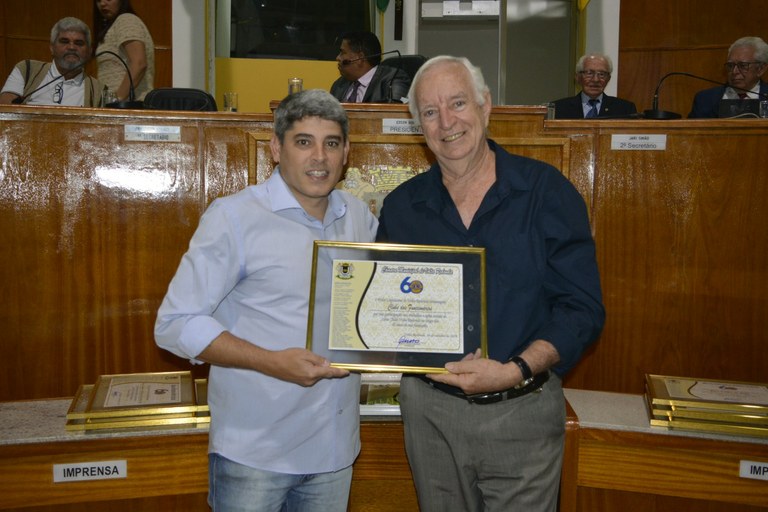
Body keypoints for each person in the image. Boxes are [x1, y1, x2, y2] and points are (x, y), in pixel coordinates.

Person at [376, 56, 605, 512]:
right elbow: (385, 309)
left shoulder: (546, 191)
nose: (447, 122)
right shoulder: (401, 207)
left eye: (458, 103)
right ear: (418, 126)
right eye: (430, 111)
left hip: (522, 409)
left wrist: (516, 368)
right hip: (429, 414)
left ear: (485, 105)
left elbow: (582, 308)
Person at [155, 89, 377, 512]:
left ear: (346, 153)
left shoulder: (359, 216)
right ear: (276, 149)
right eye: (303, 142)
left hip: (334, 451)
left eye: (331, 143)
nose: (319, 157)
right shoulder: (234, 217)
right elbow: (175, 324)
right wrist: (270, 361)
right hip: (254, 454)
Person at [0, 17, 104, 106]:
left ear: (89, 51)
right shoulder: (27, 70)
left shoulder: (99, 91)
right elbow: (6, 110)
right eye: (64, 41)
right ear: (52, 47)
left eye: (79, 43)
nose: (71, 47)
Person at [688, 36, 768, 118]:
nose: (734, 72)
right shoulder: (704, 99)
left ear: (761, 69)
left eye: (743, 65)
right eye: (730, 65)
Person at [94, 0, 155, 102]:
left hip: (129, 105)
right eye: (98, 0)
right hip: (120, 106)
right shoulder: (114, 25)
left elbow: (139, 63)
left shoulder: (126, 20)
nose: (102, 3)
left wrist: (116, 99)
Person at [330, 30, 410, 103]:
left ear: (360, 58)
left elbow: (394, 111)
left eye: (343, 53)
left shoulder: (393, 79)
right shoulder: (339, 84)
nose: (338, 58)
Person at [551, 53, 637, 119]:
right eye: (589, 73)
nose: (596, 80)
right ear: (578, 77)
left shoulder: (625, 109)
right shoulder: (557, 109)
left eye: (602, 74)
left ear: (608, 79)